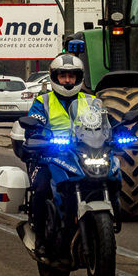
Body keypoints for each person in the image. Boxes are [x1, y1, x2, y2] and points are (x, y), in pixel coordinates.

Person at [19, 53, 96, 259]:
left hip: (82, 156)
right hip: (49, 157)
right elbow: (33, 123)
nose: (68, 81)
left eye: (72, 76)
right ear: (54, 77)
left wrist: (120, 133)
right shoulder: (43, 101)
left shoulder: (91, 101)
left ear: (79, 78)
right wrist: (37, 136)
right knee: (42, 188)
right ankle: (40, 238)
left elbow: (106, 123)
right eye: (63, 76)